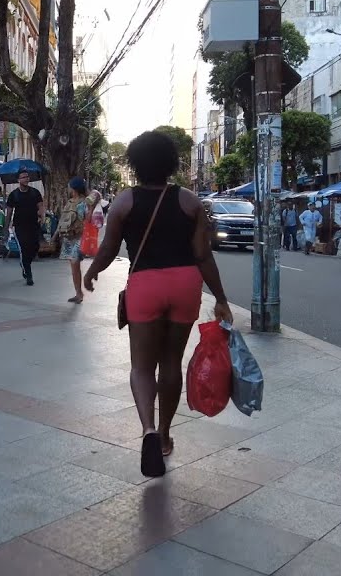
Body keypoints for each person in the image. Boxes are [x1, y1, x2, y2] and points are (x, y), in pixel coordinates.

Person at [82, 131, 232, 478]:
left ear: (134, 164)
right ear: (171, 163)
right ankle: (165, 436)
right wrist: (221, 298)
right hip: (185, 283)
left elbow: (108, 250)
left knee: (141, 366)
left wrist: (92, 272)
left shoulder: (124, 201)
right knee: (171, 364)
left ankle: (148, 429)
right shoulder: (191, 202)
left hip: (145, 285)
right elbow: (203, 255)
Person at [5, 169, 45, 286]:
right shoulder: (14, 195)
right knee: (24, 248)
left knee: (34, 247)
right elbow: (9, 212)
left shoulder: (35, 192)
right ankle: (28, 274)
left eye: (27, 177)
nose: (26, 179)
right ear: (18, 180)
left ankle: (24, 264)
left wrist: (42, 217)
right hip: (19, 227)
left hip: (33, 225)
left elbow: (41, 206)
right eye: (23, 177)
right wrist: (6, 228)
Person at [56, 178, 93, 303]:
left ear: (74, 188)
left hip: (79, 237)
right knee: (73, 266)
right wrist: (56, 234)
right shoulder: (70, 202)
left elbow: (87, 219)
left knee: (74, 262)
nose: (68, 189)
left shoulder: (83, 203)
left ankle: (79, 293)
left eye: (69, 186)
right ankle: (78, 293)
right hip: (69, 237)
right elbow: (63, 219)